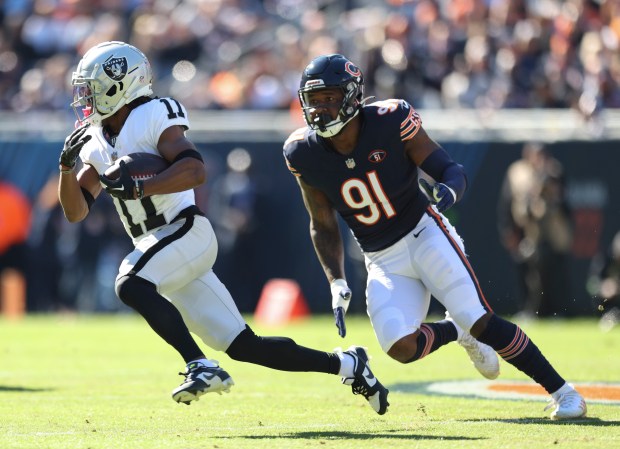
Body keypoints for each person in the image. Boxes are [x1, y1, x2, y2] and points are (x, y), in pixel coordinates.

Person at [57, 41, 389, 415]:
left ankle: (199, 364)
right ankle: (348, 364)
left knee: (131, 282)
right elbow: (75, 211)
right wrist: (67, 171)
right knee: (246, 346)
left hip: (185, 232)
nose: (85, 97)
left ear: (121, 83)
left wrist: (142, 186)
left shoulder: (152, 114)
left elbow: (195, 170)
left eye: (92, 87)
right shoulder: (97, 138)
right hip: (158, 246)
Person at [283, 54, 586, 420]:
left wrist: (448, 190)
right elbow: (322, 223)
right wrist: (336, 281)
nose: (320, 109)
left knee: (480, 319)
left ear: (351, 96)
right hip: (380, 255)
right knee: (399, 346)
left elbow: (447, 168)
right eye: (313, 100)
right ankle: (455, 331)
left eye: (329, 98)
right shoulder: (302, 151)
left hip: (424, 232)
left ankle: (564, 392)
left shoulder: (390, 119)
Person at [497, 142, 573, 318]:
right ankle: (529, 310)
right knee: (527, 271)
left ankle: (556, 311)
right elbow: (507, 202)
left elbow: (562, 202)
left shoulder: (554, 170)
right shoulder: (517, 172)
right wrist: (508, 229)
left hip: (553, 233)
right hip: (528, 231)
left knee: (555, 272)